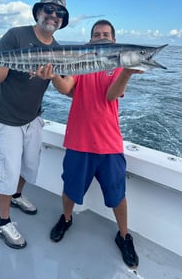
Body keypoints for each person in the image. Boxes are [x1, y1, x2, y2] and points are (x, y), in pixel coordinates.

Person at [0, 0, 69, 249]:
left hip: (33, 119)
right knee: (6, 173)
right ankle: (2, 222)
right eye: (49, 9)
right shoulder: (16, 35)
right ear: (38, 12)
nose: (53, 15)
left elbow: (64, 86)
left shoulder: (58, 50)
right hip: (7, 119)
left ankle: (16, 196)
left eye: (59, 13)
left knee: (28, 166)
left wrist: (53, 76)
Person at [37, 19, 140, 268]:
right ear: (90, 40)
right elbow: (66, 87)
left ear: (114, 41)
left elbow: (111, 95)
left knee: (118, 196)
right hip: (78, 140)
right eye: (97, 34)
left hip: (109, 143)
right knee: (70, 189)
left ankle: (124, 235)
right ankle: (67, 218)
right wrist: (52, 76)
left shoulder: (117, 64)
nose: (101, 37)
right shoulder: (79, 63)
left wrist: (126, 72)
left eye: (106, 34)